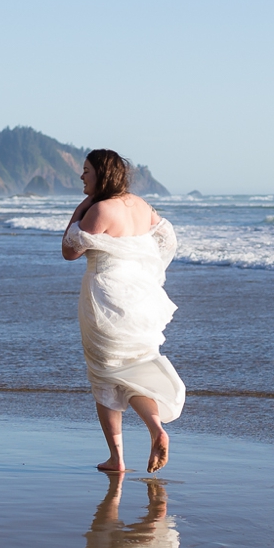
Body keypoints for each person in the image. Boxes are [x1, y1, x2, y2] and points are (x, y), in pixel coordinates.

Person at [61, 148, 184, 473]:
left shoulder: (99, 209)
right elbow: (167, 236)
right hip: (139, 298)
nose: (82, 176)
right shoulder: (140, 206)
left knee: (104, 374)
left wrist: (80, 209)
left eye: (86, 170)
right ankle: (156, 429)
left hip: (105, 298)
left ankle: (117, 458)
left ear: (101, 174)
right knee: (133, 369)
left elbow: (69, 251)